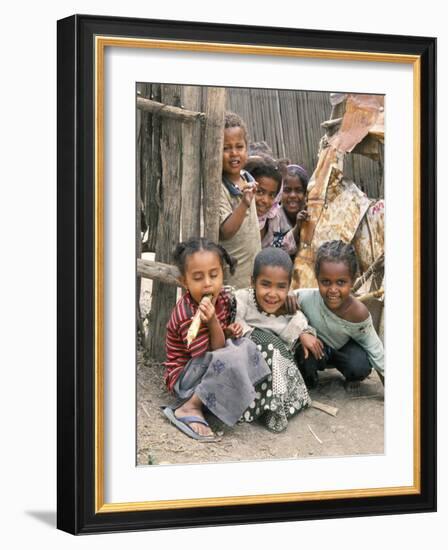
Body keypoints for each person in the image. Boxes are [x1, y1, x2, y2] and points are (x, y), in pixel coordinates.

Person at [163, 238, 271, 441]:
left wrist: (227, 331)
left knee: (245, 344)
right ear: (184, 281)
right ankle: (190, 407)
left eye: (214, 275)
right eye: (198, 278)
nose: (207, 283)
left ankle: (235, 392)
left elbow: (219, 341)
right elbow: (214, 353)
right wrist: (213, 322)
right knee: (230, 357)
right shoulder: (187, 314)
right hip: (185, 379)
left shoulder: (220, 298)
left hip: (205, 363)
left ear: (222, 273)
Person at [234, 247, 312, 433]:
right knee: (264, 344)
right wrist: (254, 336)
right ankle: (250, 406)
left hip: (277, 367)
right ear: (252, 282)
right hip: (249, 360)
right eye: (266, 284)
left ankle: (275, 408)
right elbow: (235, 322)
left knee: (276, 348)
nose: (272, 294)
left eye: (280, 287)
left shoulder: (288, 308)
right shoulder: (242, 299)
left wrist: (303, 333)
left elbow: (295, 329)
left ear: (289, 286)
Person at [293, 240, 384, 390]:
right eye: (326, 282)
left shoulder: (358, 313)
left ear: (352, 280)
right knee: (303, 355)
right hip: (316, 349)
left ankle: (351, 376)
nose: (333, 289)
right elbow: (281, 303)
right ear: (317, 279)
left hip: (343, 349)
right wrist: (302, 332)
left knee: (359, 366)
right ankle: (309, 379)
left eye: (341, 282)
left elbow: (375, 350)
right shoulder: (306, 298)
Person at [218, 112, 261, 289]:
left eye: (239, 146)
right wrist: (243, 204)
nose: (234, 153)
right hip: (233, 277)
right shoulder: (219, 187)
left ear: (247, 148)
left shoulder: (247, 178)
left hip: (252, 273)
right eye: (226, 148)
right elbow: (225, 231)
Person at [245, 157, 308, 255]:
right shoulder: (241, 217)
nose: (265, 200)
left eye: (271, 195)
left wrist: (297, 228)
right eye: (260, 192)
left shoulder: (273, 217)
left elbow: (279, 246)